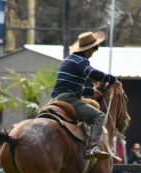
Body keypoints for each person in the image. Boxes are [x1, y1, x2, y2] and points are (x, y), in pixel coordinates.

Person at [51, 31, 122, 160]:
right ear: (89, 50)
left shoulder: (67, 60)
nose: (93, 53)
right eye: (94, 49)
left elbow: (69, 86)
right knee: (98, 116)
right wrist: (112, 79)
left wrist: (90, 91)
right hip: (68, 99)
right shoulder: (82, 61)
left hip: (55, 98)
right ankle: (92, 148)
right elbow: (91, 73)